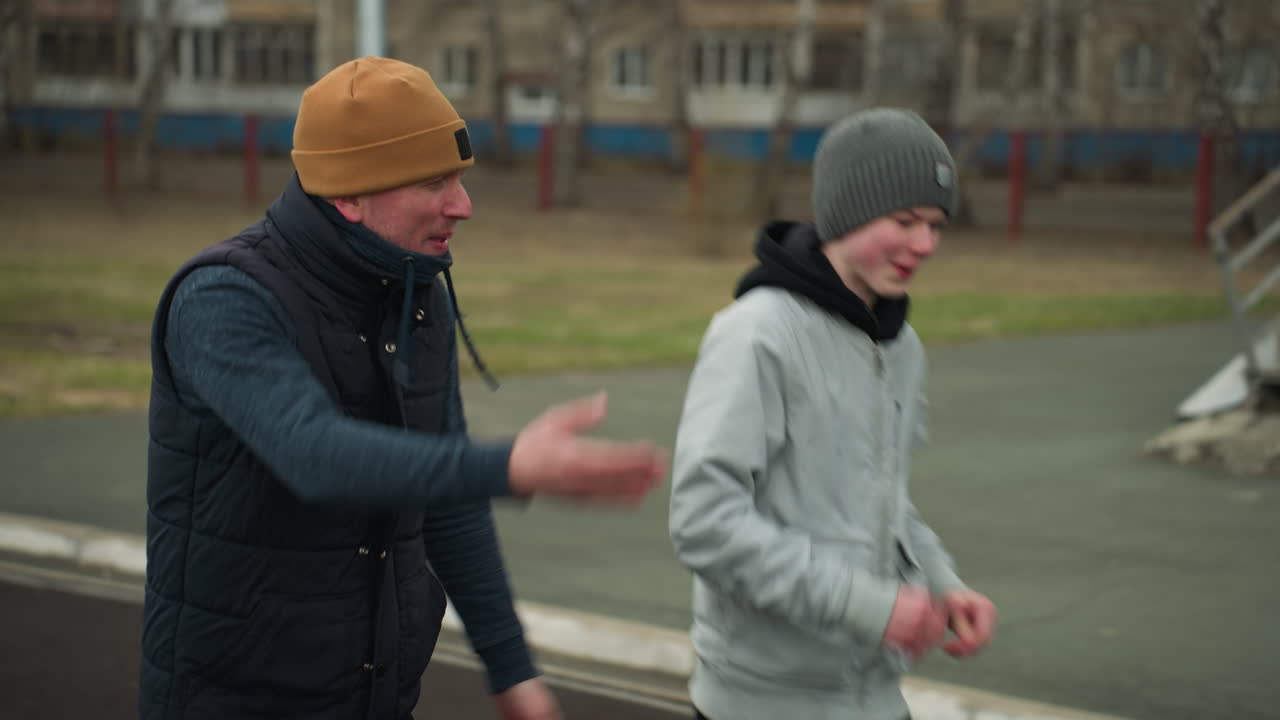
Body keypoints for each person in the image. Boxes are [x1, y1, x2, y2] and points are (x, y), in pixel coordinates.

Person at [139, 56, 666, 720]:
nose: (463, 206)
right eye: (435, 182)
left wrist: (512, 670)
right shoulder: (223, 298)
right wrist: (514, 465)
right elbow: (315, 456)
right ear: (350, 194)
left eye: (461, 180)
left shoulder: (415, 295)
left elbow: (446, 504)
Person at [668, 108, 998, 720]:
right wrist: (869, 606)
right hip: (762, 703)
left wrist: (942, 585)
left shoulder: (899, 346)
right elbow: (704, 522)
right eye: (905, 221)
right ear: (849, 212)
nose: (925, 245)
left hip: (874, 697)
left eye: (936, 226)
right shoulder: (757, 334)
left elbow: (885, 502)